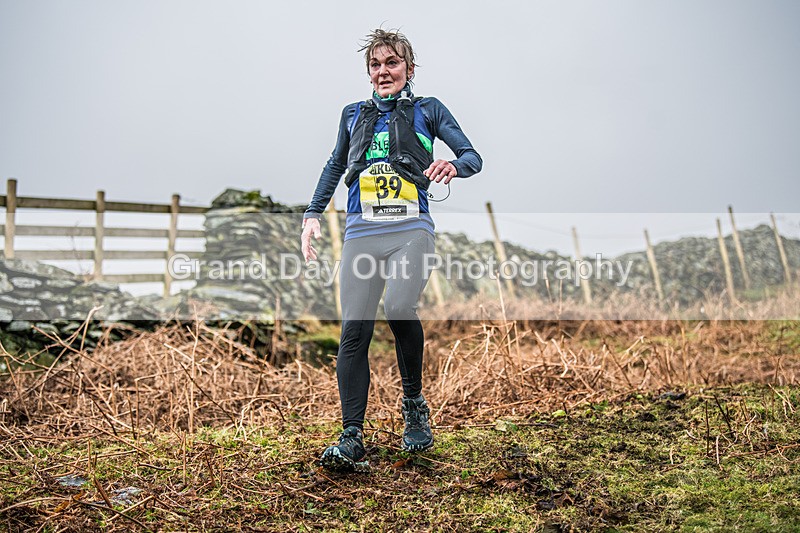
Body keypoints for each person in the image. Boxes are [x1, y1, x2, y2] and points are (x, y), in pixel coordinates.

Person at [301, 28, 482, 472]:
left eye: (392, 63)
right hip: (362, 233)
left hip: (410, 230)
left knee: (399, 306)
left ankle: (414, 405)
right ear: (369, 72)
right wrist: (312, 213)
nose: (383, 71)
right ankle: (351, 436)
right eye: (375, 65)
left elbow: (473, 157)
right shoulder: (352, 114)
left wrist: (452, 165)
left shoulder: (429, 109)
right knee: (353, 330)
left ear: (409, 69)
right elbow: (335, 164)